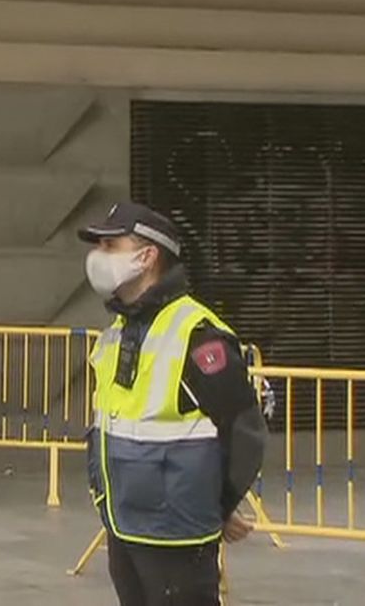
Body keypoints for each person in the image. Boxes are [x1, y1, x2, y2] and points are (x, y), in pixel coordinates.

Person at [79, 203, 268, 606]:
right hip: (123, 526)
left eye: (111, 244)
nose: (98, 256)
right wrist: (102, 496)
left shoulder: (197, 335)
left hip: (176, 537)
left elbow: (245, 432)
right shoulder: (118, 332)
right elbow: (106, 425)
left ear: (147, 256)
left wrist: (215, 506)